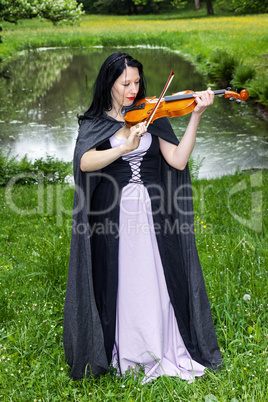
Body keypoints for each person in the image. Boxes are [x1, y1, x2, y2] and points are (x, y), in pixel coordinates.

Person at [63, 52, 222, 383]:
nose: (132, 89)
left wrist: (196, 116)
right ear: (109, 84)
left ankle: (160, 344)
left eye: (136, 82)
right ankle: (129, 350)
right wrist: (123, 145)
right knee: (124, 279)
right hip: (116, 214)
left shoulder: (153, 116)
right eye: (125, 83)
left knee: (157, 277)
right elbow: (85, 163)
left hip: (154, 211)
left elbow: (177, 160)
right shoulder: (96, 123)